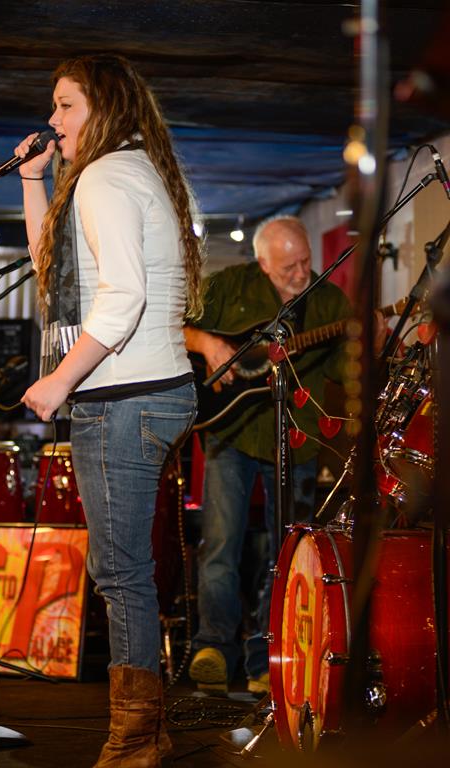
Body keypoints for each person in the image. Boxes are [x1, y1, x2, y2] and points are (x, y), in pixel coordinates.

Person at [17, 54, 202, 768]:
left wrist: (59, 380)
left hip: (124, 398)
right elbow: (54, 265)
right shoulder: (120, 172)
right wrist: (33, 182)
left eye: (66, 105)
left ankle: (134, 744)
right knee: (125, 569)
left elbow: (123, 296)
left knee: (121, 574)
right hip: (143, 393)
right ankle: (147, 732)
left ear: (106, 106)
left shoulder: (105, 178)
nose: (52, 119)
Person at [184, 216, 351, 696]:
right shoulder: (228, 285)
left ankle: (269, 659)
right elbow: (176, 326)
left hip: (296, 440)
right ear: (262, 263)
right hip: (230, 431)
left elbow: (346, 372)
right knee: (221, 546)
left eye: (305, 262)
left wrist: (373, 342)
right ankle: (213, 649)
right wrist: (208, 343)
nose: (300, 274)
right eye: (287, 268)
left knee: (287, 554)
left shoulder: (329, 301)